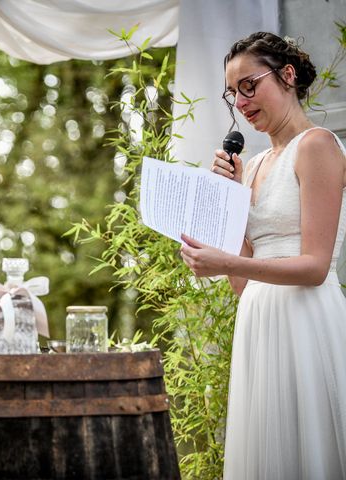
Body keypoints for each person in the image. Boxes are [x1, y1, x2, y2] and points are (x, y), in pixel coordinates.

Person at [180, 32, 346, 479]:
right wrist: (231, 205)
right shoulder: (251, 167)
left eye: (249, 85)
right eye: (232, 93)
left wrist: (226, 262)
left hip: (308, 319)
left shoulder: (317, 146)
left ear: (287, 75)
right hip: (259, 321)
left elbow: (314, 267)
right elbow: (242, 285)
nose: (241, 100)